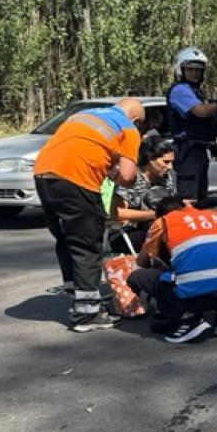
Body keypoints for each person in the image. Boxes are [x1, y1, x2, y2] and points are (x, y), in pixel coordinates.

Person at [33, 97, 145, 332]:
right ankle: (86, 315)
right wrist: (122, 174)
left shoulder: (83, 115)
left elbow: (81, 147)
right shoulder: (128, 129)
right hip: (76, 179)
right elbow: (127, 176)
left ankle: (77, 294)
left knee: (66, 237)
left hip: (44, 174)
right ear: (136, 120)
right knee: (88, 244)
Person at [127, 194, 217, 343]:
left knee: (138, 277)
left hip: (193, 295)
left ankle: (189, 319)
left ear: (160, 215)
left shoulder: (163, 222)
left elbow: (142, 261)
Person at [166, 47, 217, 207]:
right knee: (188, 201)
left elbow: (200, 126)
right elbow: (202, 112)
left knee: (200, 200)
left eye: (198, 70)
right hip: (187, 153)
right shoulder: (180, 90)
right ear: (181, 70)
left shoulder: (195, 92)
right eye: (190, 69)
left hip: (198, 151)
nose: (195, 73)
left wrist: (211, 144)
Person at [109, 134, 177, 252]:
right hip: (127, 233)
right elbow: (117, 213)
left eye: (171, 162)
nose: (170, 167)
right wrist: (153, 214)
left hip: (157, 228)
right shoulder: (131, 178)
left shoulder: (166, 177)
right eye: (166, 162)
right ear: (151, 159)